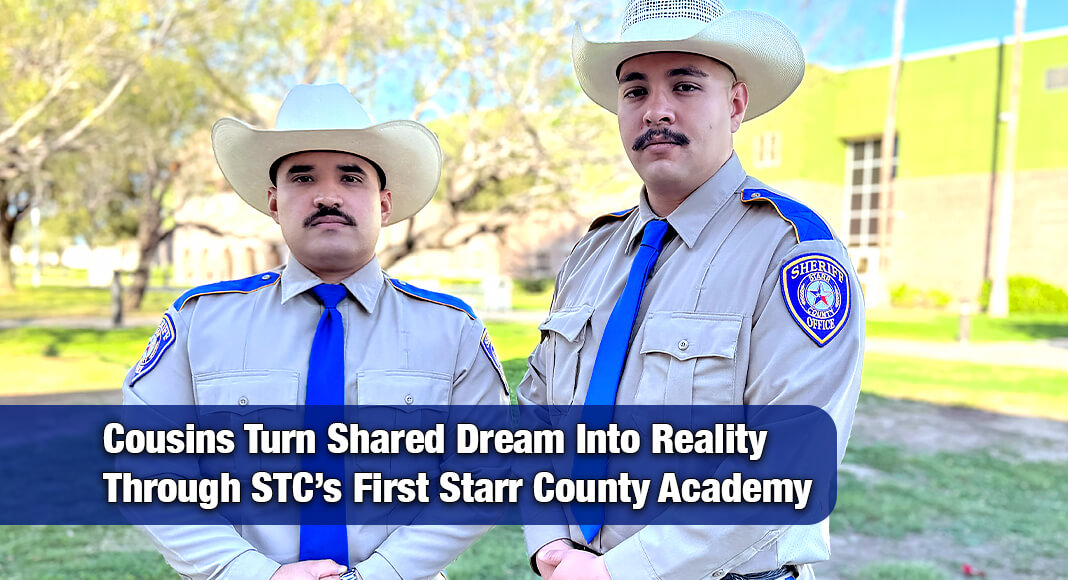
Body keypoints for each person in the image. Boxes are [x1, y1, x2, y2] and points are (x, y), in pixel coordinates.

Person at [518, 1, 864, 579]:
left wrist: (618, 572)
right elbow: (537, 412)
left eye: (684, 85)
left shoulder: (795, 254)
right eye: (635, 91)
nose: (656, 110)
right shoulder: (591, 254)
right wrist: (549, 538)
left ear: (734, 105)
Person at [122, 83, 509, 580]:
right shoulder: (200, 324)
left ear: (384, 203)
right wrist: (257, 575)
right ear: (274, 202)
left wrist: (378, 575)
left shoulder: (451, 331)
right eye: (302, 178)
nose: (327, 195)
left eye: (351, 177)